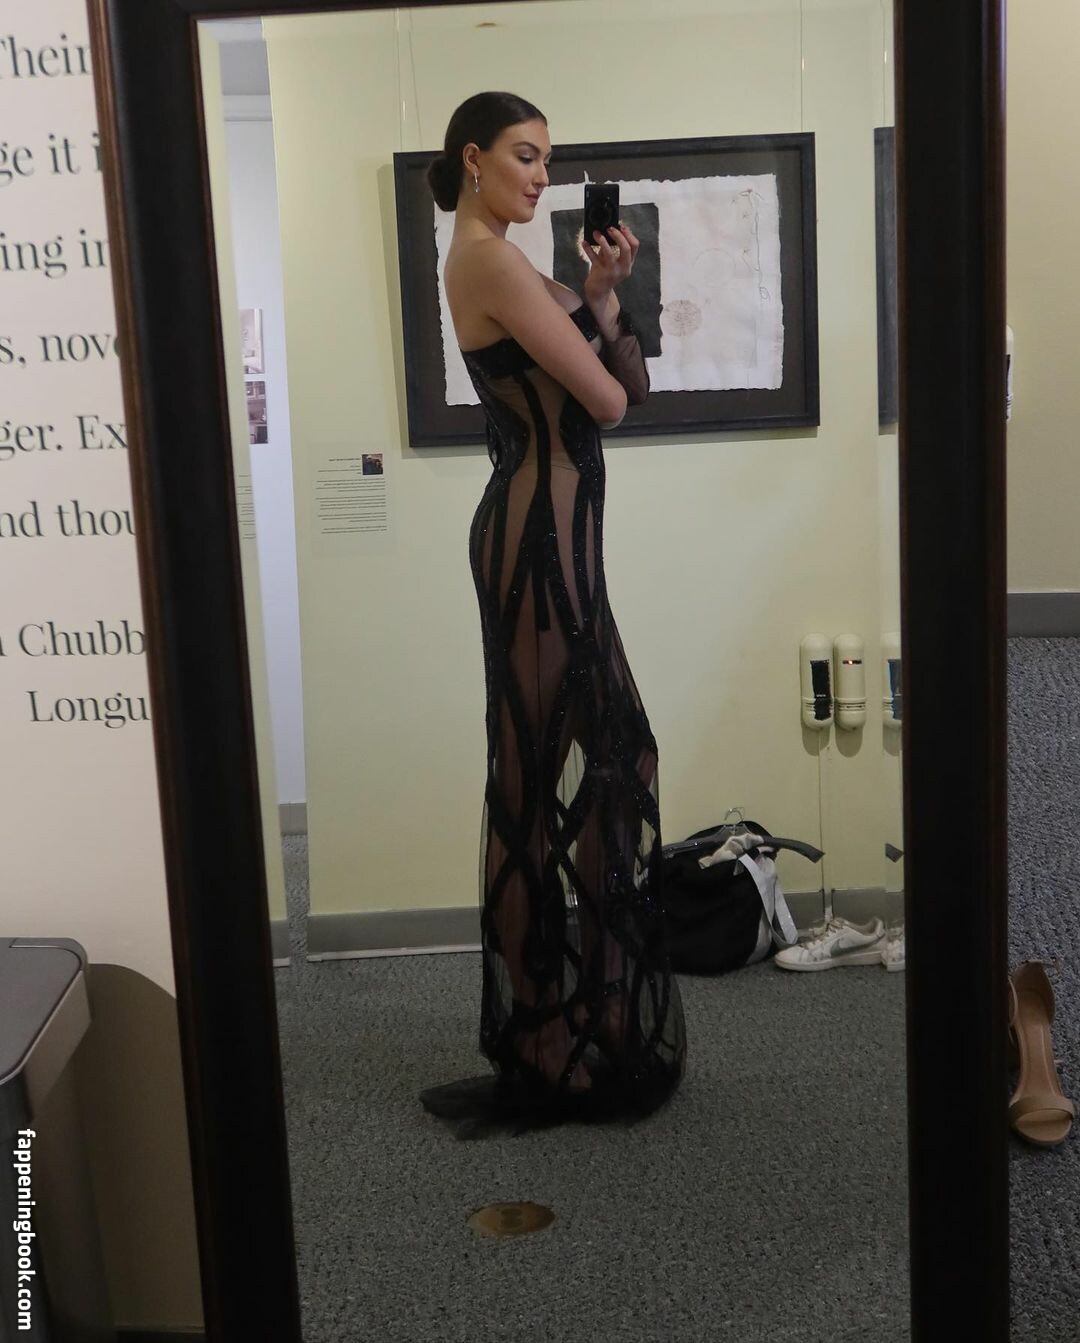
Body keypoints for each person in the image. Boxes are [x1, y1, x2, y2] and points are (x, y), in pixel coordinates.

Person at [419, 92, 686, 1137]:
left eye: (547, 160)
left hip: (558, 543)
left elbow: (631, 382)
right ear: (473, 159)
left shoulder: (520, 266)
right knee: (533, 783)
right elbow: (607, 404)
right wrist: (594, 328)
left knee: (617, 759)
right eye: (525, 157)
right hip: (535, 543)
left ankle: (598, 1000)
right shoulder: (486, 260)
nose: (542, 176)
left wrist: (603, 295)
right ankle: (538, 1026)